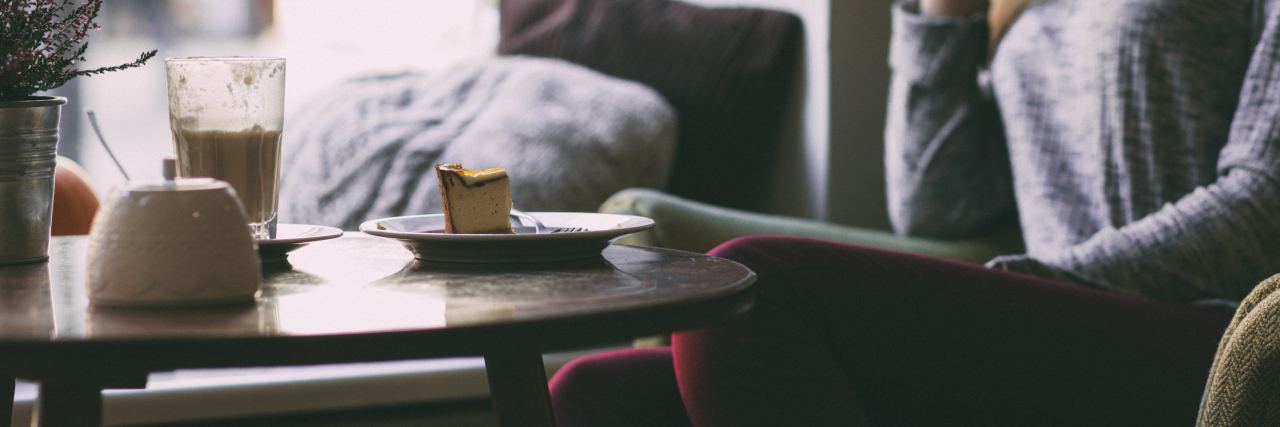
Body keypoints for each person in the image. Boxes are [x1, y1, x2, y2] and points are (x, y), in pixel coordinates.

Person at [550, 0, 1280, 425]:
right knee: (595, 395)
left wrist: (1036, 282)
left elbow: (1261, 209)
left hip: (1221, 334)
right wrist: (945, 14)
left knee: (752, 289)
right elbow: (940, 201)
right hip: (1059, 323)